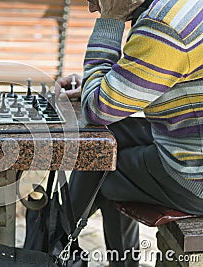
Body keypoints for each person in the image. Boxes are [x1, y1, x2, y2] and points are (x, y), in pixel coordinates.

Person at [57, 0, 203, 266]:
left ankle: (53, 242)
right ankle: (58, 237)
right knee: (108, 141)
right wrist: (109, 84)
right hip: (192, 140)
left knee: (100, 164)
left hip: (196, 179)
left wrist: (110, 20)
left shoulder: (164, 25)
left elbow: (97, 110)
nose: (92, 8)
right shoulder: (182, 7)